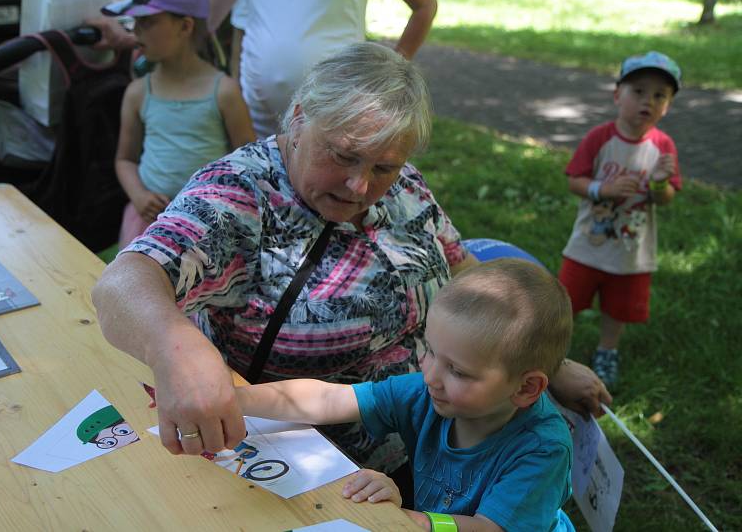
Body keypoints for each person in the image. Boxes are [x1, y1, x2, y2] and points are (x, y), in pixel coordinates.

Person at [91, 42, 609, 503]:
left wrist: (549, 363)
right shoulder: (241, 197)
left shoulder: (406, 189)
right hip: (312, 474)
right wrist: (178, 351)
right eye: (343, 156)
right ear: (296, 119)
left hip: (435, 443)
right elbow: (122, 282)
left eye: (383, 166)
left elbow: (464, 269)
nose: (360, 186)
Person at [235, 258, 574, 531]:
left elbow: (490, 528)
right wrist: (234, 400)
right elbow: (328, 399)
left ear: (526, 388)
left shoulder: (542, 448)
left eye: (457, 370)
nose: (430, 375)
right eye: (428, 349)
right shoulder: (428, 393)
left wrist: (416, 521)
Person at [558, 51, 683, 388]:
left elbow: (667, 197)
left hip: (632, 251)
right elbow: (574, 180)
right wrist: (604, 188)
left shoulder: (663, 146)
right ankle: (554, 350)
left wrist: (658, 182)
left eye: (660, 95)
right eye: (638, 91)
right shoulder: (600, 138)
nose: (648, 101)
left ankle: (607, 351)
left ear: (667, 106)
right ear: (618, 96)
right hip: (587, 245)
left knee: (618, 308)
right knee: (566, 300)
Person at [101, 0, 255, 247]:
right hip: (150, 222)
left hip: (206, 224)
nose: (137, 30)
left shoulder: (224, 92)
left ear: (185, 26)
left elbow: (248, 164)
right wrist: (139, 196)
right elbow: (125, 159)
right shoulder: (138, 92)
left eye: (148, 21)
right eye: (135, 22)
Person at [228, 0, 438, 138]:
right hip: (256, 115)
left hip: (339, 110)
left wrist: (393, 70)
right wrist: (235, 92)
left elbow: (424, 7)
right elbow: (243, 24)